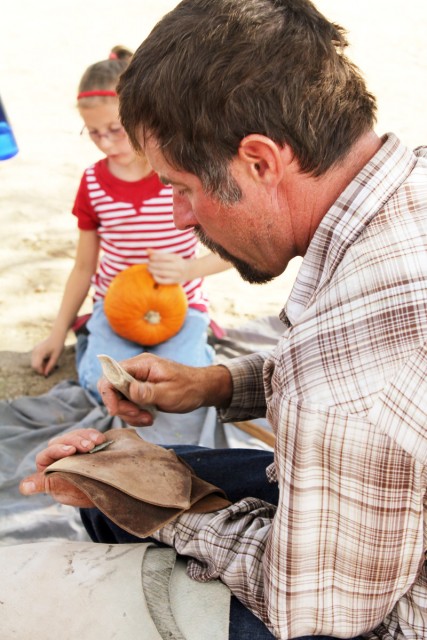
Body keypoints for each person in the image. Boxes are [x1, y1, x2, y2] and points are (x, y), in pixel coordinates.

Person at [21, 1, 427, 639]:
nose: (180, 218)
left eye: (181, 187)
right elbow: (343, 367)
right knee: (113, 486)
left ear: (260, 161)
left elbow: (311, 608)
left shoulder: (346, 396)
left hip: (366, 605)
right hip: (374, 522)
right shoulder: (408, 186)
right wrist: (212, 385)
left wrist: (157, 506)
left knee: (117, 499)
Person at [31, 46, 230, 441]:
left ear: (139, 118)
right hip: (116, 306)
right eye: (94, 133)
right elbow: (84, 266)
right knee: (98, 382)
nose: (105, 142)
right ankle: (94, 338)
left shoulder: (179, 172)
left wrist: (189, 270)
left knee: (179, 386)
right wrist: (57, 333)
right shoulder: (92, 183)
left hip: (180, 306)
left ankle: (200, 345)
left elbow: (231, 250)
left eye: (115, 130)